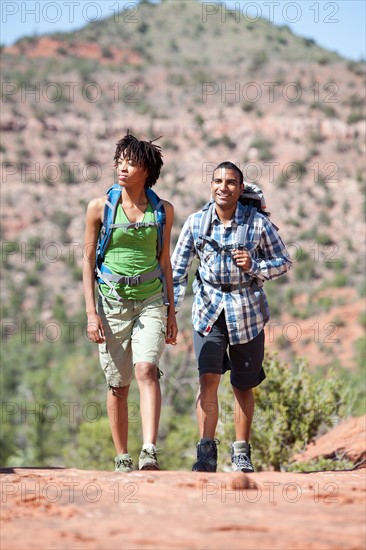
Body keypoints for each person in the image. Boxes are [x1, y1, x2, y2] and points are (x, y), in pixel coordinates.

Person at [171, 161, 291, 473]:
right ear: (210, 185)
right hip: (208, 310)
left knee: (242, 384)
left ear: (240, 189)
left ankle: (241, 454)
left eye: (231, 182)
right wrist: (171, 311)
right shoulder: (196, 223)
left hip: (247, 311)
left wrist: (255, 266)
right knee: (207, 378)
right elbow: (177, 270)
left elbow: (283, 261)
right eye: (218, 181)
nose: (223, 187)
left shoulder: (257, 224)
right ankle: (206, 453)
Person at [83, 132, 178, 472]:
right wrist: (91, 313)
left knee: (147, 369)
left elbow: (165, 261)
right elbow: (88, 261)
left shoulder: (163, 211)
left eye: (131, 162)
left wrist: (171, 310)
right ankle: (122, 455)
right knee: (118, 385)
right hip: (111, 305)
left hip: (151, 300)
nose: (122, 168)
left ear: (147, 170)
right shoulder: (100, 208)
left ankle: (149, 451)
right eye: (120, 161)